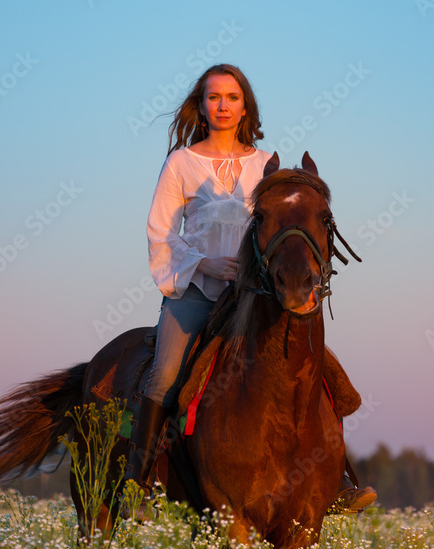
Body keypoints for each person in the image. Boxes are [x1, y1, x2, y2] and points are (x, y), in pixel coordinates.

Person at [124, 63, 375, 513]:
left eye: (232, 97)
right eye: (214, 97)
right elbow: (160, 232)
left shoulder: (266, 165)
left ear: (245, 107)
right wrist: (205, 263)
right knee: (164, 374)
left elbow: (288, 225)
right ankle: (138, 481)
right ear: (201, 106)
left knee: (313, 369)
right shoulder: (181, 162)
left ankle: (334, 478)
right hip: (197, 291)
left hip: (256, 294)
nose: (223, 105)